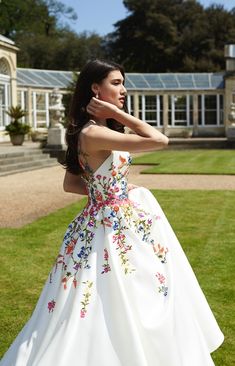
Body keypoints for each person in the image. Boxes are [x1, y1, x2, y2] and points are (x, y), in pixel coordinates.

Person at [0, 59, 224, 366]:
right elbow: (160, 140)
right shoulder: (92, 134)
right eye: (116, 83)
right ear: (96, 89)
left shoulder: (94, 131)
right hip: (110, 226)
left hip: (113, 218)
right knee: (109, 295)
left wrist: (111, 192)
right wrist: (118, 114)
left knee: (139, 290)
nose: (124, 89)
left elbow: (71, 183)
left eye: (123, 83)